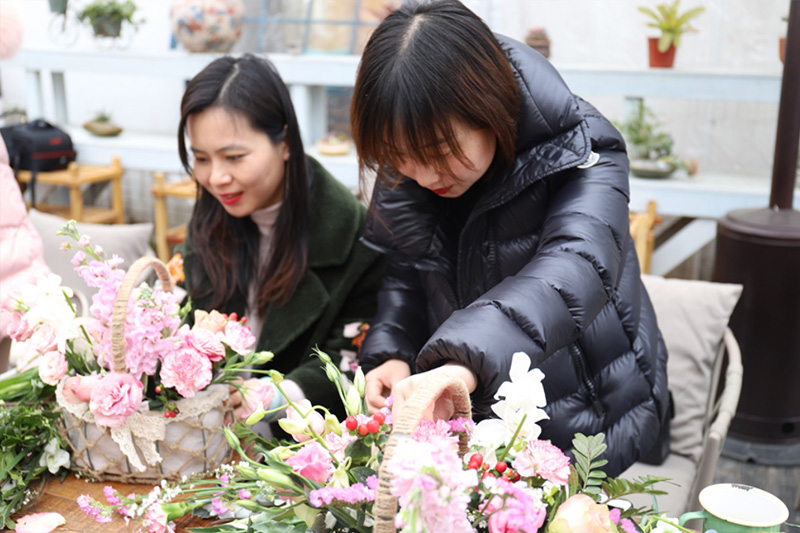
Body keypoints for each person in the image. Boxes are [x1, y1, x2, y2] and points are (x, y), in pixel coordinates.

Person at [351, 0, 670, 475]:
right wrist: (392, 354)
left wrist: (462, 363)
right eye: (399, 155)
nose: (423, 174)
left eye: (439, 150)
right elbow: (406, 277)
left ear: (489, 106)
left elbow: (574, 268)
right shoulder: (410, 171)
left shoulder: (583, 148)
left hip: (597, 417)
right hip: (485, 423)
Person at [176, 54, 384, 420]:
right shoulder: (211, 214)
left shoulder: (353, 237)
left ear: (285, 142)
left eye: (234, 157)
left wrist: (275, 399)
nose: (216, 178)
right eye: (202, 159)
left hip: (296, 440)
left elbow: (350, 361)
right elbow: (178, 305)